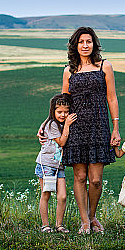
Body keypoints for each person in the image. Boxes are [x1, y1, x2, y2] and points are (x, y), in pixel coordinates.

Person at [60, 27, 121, 235]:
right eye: (81, 42)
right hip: (76, 127)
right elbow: (63, 103)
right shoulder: (69, 70)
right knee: (79, 176)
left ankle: (92, 214)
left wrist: (116, 129)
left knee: (95, 179)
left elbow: (112, 98)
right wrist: (52, 126)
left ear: (94, 44)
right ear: (75, 46)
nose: (85, 45)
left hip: (99, 125)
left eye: (88, 41)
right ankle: (85, 221)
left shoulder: (105, 66)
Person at [36, 93, 76, 233]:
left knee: (62, 196)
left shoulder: (60, 123)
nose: (63, 115)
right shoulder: (52, 124)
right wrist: (68, 125)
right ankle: (45, 225)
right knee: (46, 194)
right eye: (59, 112)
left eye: (66, 112)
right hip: (46, 164)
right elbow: (62, 142)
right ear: (53, 111)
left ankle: (59, 225)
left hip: (59, 166)